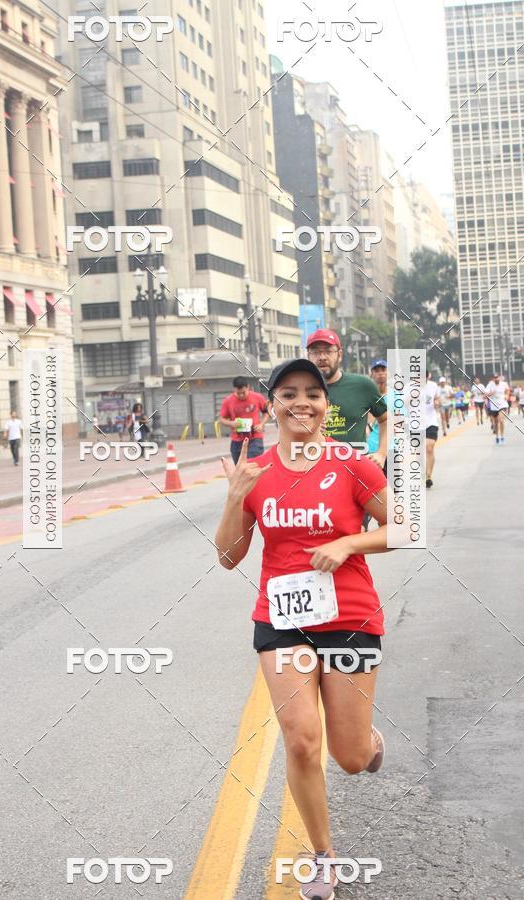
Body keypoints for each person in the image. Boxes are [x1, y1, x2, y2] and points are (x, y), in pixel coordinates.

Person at [215, 358, 390, 900]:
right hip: (282, 620)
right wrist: (234, 497)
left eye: (312, 393)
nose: (301, 403)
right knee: (300, 739)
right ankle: (323, 857)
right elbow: (228, 556)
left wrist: (348, 543)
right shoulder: (255, 472)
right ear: (272, 406)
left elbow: (408, 527)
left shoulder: (352, 464)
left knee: (350, 758)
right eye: (288, 393)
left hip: (350, 618)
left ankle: (367, 741)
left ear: (325, 406)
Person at [306, 329, 387, 468]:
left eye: (328, 351)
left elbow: (386, 419)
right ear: (308, 356)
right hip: (314, 470)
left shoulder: (363, 385)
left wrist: (382, 453)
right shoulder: (299, 391)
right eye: (315, 351)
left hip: (355, 470)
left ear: (340, 355)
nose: (322, 357)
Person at [219, 376, 270, 464]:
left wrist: (262, 424)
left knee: (252, 464)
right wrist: (231, 423)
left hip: (255, 437)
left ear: (248, 387)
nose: (241, 395)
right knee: (240, 467)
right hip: (237, 440)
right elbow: (222, 419)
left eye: (243, 392)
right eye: (238, 393)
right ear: (234, 390)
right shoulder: (228, 401)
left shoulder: (258, 397)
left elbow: (267, 412)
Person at [425, 372, 441, 489]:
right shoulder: (409, 387)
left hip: (431, 421)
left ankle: (428, 476)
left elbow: (437, 399)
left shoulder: (433, 386)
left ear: (428, 376)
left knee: (429, 448)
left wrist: (437, 403)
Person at [485, 373, 510, 444]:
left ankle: (502, 437)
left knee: (501, 420)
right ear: (493, 379)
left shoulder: (504, 384)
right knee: (496, 422)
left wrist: (507, 395)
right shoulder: (490, 385)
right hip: (493, 406)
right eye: (495, 378)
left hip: (502, 405)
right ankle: (497, 437)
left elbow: (508, 390)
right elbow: (485, 395)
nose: (496, 379)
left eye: (497, 377)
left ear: (499, 377)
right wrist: (491, 393)